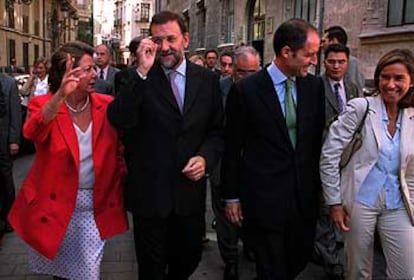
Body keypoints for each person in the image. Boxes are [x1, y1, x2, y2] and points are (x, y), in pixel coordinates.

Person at [107, 11, 224, 280]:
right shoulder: (134, 77)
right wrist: (141, 72)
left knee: (189, 259)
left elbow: (217, 131)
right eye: (157, 40)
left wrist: (205, 158)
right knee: (151, 269)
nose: (164, 47)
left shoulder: (207, 81)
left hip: (189, 196)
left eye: (171, 38)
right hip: (150, 197)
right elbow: (119, 118)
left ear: (185, 39)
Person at [7, 41, 128, 280]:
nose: (94, 74)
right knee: (61, 273)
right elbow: (31, 133)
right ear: (67, 73)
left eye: (94, 68)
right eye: (86, 69)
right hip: (55, 205)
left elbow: (121, 144)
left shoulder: (106, 105)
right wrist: (60, 95)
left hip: (94, 204)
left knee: (88, 272)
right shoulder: (44, 104)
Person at [221, 18, 325, 280]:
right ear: (287, 52)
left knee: (298, 259)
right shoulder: (246, 90)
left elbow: (314, 145)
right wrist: (231, 196)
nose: (314, 61)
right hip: (264, 198)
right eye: (309, 55)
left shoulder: (314, 87)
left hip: (303, 198)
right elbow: (232, 148)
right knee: (270, 267)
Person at [320, 48, 414, 279]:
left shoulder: (411, 115)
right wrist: (335, 203)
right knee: (358, 270)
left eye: (399, 78)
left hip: (398, 203)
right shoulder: (361, 108)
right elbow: (330, 155)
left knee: (406, 271)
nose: (391, 84)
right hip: (360, 201)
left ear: (411, 81)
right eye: (385, 77)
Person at [210, 45, 261, 280]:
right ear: (232, 72)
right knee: (225, 216)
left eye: (252, 72)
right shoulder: (219, 90)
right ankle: (230, 259)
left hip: (254, 166)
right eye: (242, 72)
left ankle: (250, 245)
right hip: (224, 163)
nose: (247, 78)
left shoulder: (266, 91)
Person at [313, 43, 363, 279]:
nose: (336, 66)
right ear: (324, 62)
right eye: (331, 61)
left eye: (341, 62)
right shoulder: (315, 88)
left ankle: (334, 245)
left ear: (347, 63)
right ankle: (331, 260)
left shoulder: (352, 87)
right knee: (325, 208)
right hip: (324, 156)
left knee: (343, 204)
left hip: (350, 157)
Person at [0, 67, 21, 239]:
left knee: (5, 179)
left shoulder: (9, 83)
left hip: (3, 140)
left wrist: (14, 140)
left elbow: (15, 113)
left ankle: (9, 217)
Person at [321, 26, 365, 92]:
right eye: (331, 62)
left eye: (324, 41)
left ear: (334, 41)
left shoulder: (352, 63)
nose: (336, 66)